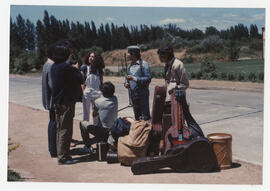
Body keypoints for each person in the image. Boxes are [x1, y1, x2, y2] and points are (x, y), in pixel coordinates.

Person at [50, 44, 84, 165]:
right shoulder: (67, 67)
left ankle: (61, 153)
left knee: (60, 128)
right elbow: (81, 79)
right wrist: (76, 68)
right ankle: (63, 157)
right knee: (65, 129)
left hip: (57, 101)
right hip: (66, 102)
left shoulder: (54, 66)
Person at [79, 81, 118, 153]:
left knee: (82, 123)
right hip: (113, 129)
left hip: (103, 130)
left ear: (103, 92)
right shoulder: (115, 99)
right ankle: (101, 139)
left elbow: (94, 115)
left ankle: (87, 146)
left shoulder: (98, 102)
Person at [124, 45, 151, 121]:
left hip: (142, 94)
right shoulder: (129, 66)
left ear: (133, 53)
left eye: (129, 53)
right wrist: (126, 84)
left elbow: (148, 79)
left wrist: (134, 79)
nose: (127, 55)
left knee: (145, 115)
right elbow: (126, 78)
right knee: (137, 115)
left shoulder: (144, 64)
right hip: (133, 94)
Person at [41, 44, 57, 158]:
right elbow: (53, 85)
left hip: (48, 100)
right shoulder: (52, 66)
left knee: (52, 123)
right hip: (53, 100)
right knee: (54, 124)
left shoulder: (46, 64)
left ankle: (52, 148)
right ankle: (53, 149)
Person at [81, 51, 105, 123]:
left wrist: (102, 93)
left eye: (92, 56)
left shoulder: (99, 70)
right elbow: (82, 82)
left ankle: (96, 130)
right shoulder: (84, 68)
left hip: (97, 94)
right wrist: (82, 92)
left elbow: (101, 83)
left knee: (96, 113)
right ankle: (85, 129)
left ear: (97, 59)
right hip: (87, 94)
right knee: (86, 113)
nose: (90, 58)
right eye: (90, 56)